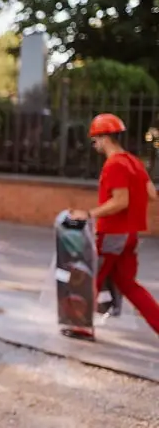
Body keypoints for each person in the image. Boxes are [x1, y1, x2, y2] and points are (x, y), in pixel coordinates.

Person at [69, 113, 159, 335]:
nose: (95, 145)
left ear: (104, 138)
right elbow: (151, 194)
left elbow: (120, 201)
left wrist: (88, 214)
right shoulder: (134, 162)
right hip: (131, 235)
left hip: (113, 234)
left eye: (95, 140)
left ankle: (82, 327)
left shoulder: (114, 165)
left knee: (92, 277)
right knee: (128, 284)